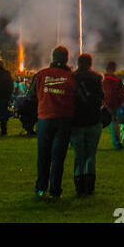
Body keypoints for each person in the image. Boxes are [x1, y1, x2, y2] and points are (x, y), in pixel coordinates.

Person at [34, 46, 76, 199]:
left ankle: (40, 188)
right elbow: (76, 97)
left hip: (44, 118)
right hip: (64, 119)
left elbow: (32, 95)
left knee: (43, 155)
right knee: (58, 157)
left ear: (52, 57)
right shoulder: (71, 77)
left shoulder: (41, 74)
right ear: (66, 59)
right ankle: (55, 190)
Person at [70, 54, 104, 196]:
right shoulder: (97, 78)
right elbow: (101, 98)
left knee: (79, 155)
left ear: (78, 63)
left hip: (76, 121)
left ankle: (79, 187)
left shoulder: (72, 78)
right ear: (90, 63)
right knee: (91, 154)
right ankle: (89, 186)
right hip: (93, 120)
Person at [103, 62, 124, 150]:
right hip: (114, 106)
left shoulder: (103, 80)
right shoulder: (117, 80)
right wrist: (121, 104)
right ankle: (117, 143)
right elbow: (122, 94)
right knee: (115, 126)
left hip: (106, 105)